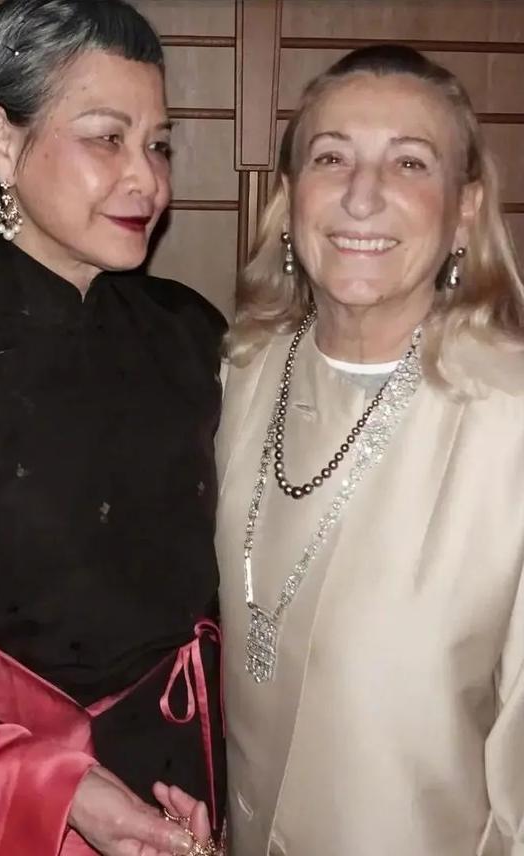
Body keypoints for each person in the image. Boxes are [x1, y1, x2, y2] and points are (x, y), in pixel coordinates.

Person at [0, 1, 226, 854]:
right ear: (1, 144)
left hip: (195, 781)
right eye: (107, 138)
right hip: (14, 809)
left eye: (158, 144)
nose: (147, 180)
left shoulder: (194, 335)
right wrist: (60, 788)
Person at [216, 44, 524, 856]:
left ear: (465, 208)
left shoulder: (512, 420)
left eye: (410, 163)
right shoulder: (241, 375)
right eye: (331, 158)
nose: (361, 195)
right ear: (290, 196)